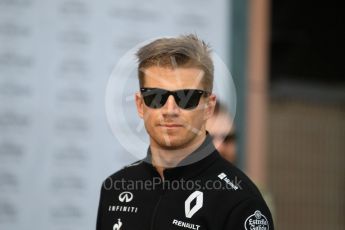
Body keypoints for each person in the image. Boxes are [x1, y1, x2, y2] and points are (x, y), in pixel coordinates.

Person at [96, 34, 274, 230]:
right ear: (140, 104)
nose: (170, 110)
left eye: (186, 97)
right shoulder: (115, 187)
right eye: (155, 97)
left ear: (208, 107)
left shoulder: (240, 202)